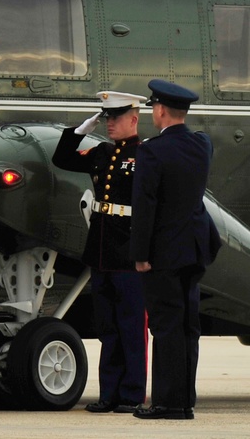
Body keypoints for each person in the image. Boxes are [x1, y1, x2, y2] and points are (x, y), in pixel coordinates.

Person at [51, 91, 147, 414]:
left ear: (133, 119)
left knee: (131, 326)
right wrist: (78, 132)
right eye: (106, 118)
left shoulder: (145, 155)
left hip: (128, 250)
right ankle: (109, 394)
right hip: (102, 250)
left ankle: (132, 393)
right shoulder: (102, 152)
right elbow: (61, 159)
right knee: (107, 327)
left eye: (116, 118)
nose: (109, 124)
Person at [130, 78, 218, 421]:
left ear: (162, 110)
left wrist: (140, 254)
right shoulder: (202, 145)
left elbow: (145, 205)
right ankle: (185, 401)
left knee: (166, 327)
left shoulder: (151, 151)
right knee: (187, 326)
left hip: (163, 253)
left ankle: (167, 404)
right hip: (194, 248)